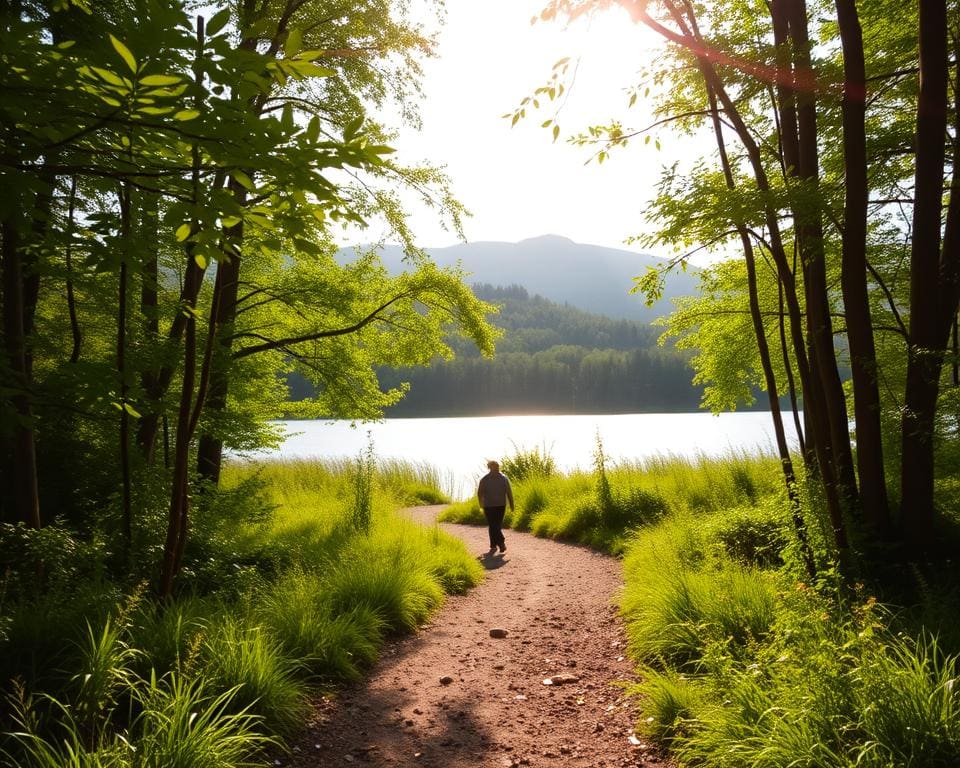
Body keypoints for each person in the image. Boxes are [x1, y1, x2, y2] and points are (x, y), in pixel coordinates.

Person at [477, 460, 514, 555]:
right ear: (490, 467)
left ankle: (495, 544)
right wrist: (481, 504)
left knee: (494, 525)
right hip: (491, 506)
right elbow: (480, 493)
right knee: (494, 525)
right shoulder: (487, 479)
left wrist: (511, 504)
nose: (497, 468)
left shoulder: (501, 478)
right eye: (496, 466)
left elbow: (509, 492)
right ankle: (499, 543)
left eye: (498, 466)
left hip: (498, 505)